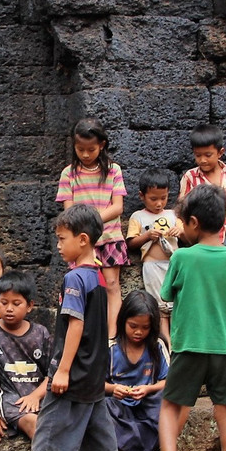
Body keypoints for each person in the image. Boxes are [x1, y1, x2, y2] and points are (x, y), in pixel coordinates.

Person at [0, 205, 123, 451]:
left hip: (72, 370)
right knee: (100, 426)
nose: (58, 245)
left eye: (62, 238)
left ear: (82, 240)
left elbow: (75, 325)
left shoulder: (74, 278)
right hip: (95, 369)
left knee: (44, 426)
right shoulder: (99, 276)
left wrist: (64, 369)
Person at [140, 184, 226, 451]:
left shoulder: (183, 256)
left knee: (170, 408)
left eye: (184, 222)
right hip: (224, 347)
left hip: (187, 347)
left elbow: (168, 296)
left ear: (195, 223)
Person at [0, 271, 90, 451]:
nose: (9, 308)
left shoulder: (40, 333)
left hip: (38, 394)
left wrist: (37, 395)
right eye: (4, 302)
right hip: (8, 399)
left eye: (16, 303)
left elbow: (52, 372)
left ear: (30, 306)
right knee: (32, 422)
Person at [178, 124, 226, 361]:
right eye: (198, 155)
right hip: (202, 242)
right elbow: (183, 207)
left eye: (208, 155)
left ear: (220, 152)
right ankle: (206, 339)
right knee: (205, 291)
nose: (202, 160)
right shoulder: (190, 177)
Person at [56, 118, 127, 340]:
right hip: (81, 241)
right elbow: (69, 212)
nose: (85, 155)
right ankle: (86, 333)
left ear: (102, 145)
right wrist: (86, 226)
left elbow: (117, 207)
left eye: (91, 149)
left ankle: (111, 335)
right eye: (80, 150)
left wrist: (91, 220)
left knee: (112, 285)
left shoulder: (114, 170)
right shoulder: (69, 173)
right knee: (82, 284)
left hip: (110, 236)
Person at [105, 290, 169, 451]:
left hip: (148, 402)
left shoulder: (157, 346)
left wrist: (149, 388)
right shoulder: (111, 348)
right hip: (119, 404)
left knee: (169, 398)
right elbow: (95, 384)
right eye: (133, 326)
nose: (139, 332)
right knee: (102, 405)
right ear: (123, 321)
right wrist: (113, 389)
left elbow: (169, 380)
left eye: (145, 327)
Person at [126, 169, 182, 345]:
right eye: (154, 199)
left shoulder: (173, 215)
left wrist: (179, 230)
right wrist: (147, 236)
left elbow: (186, 233)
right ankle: (166, 344)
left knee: (176, 305)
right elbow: (131, 243)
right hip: (151, 265)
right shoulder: (138, 216)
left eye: (163, 198)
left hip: (173, 264)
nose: (159, 203)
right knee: (159, 307)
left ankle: (177, 341)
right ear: (142, 196)